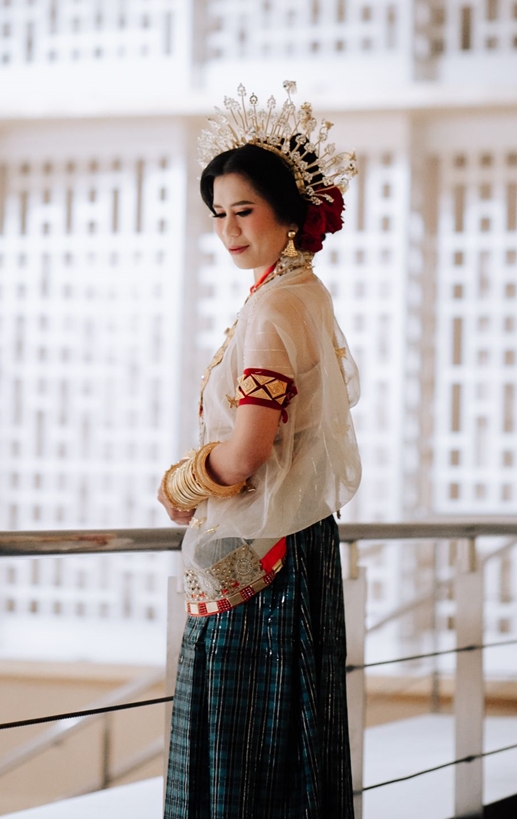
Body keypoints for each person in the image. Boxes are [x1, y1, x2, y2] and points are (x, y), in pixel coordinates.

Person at [159, 83, 362, 819]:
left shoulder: (276, 305)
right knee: (288, 750)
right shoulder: (299, 292)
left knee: (240, 751)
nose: (229, 229)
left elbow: (246, 452)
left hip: (263, 558)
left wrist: (179, 486)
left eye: (244, 210)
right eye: (219, 214)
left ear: (290, 212)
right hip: (297, 546)